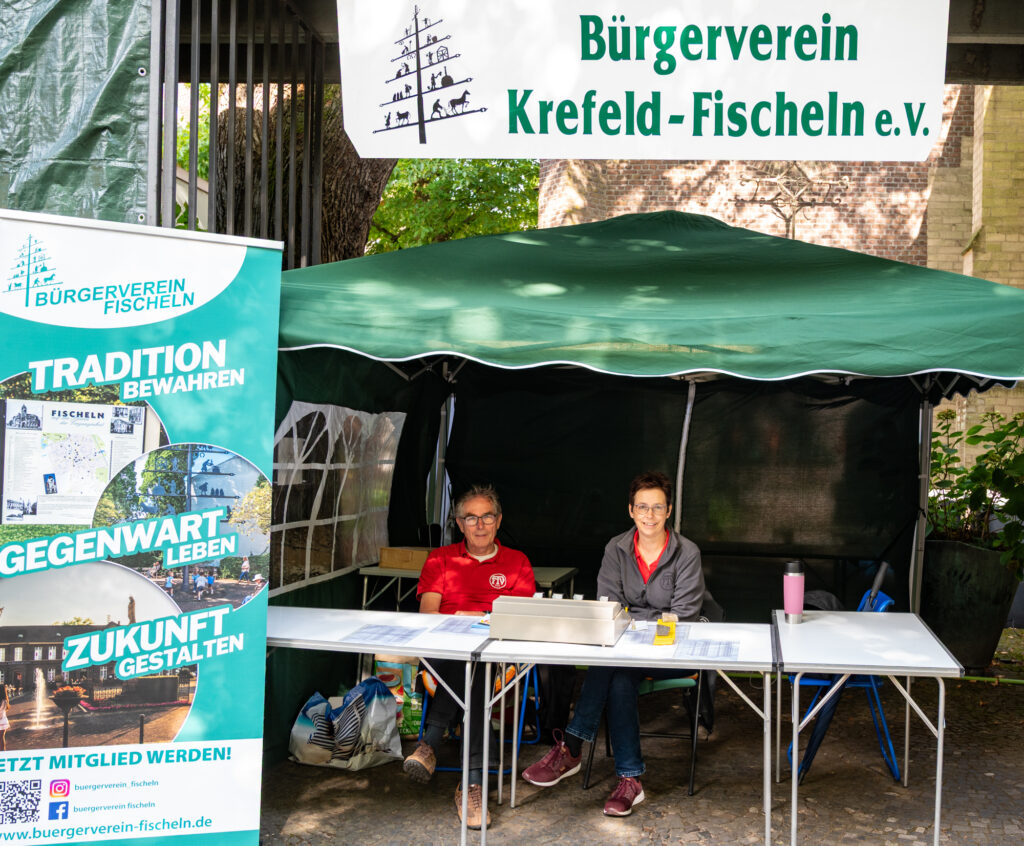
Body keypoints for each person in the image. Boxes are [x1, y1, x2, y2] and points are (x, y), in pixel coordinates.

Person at [522, 471, 705, 817]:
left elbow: (682, 616)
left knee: (614, 666)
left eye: (657, 507)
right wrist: (632, 626)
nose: (649, 515)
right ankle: (630, 780)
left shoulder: (687, 553)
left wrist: (634, 624)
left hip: (671, 651)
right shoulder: (616, 548)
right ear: (631, 510)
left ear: (668, 511)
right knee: (620, 678)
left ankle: (571, 747)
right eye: (642, 507)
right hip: (624, 651)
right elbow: (610, 606)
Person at [402, 484, 535, 830]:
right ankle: (473, 785)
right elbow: (428, 615)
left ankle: (431, 743)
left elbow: (522, 620)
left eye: (487, 516)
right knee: (470, 668)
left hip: (498, 656)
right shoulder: (440, 559)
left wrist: (482, 622)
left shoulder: (517, 562)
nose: (479, 525)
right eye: (471, 518)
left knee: (479, 666)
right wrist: (461, 624)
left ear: (498, 520)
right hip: (445, 654)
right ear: (459, 523)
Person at [0, 683, 9, 751]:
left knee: (1, 738)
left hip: (1, 721)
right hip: (3, 721)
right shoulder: (5, 701)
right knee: (1, 738)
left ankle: (2, 752)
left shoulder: (2, 702)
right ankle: (3, 752)